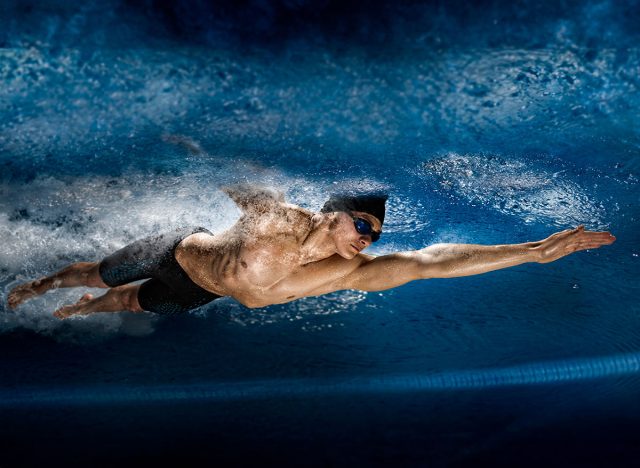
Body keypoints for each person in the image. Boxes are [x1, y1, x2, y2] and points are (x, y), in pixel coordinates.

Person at [7, 184, 616, 319]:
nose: (367, 237)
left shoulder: (350, 270)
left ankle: (81, 310)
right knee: (97, 271)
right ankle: (38, 287)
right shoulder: (280, 222)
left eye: (375, 231)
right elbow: (247, 192)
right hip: (178, 255)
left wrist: (533, 251)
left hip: (201, 292)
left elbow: (436, 260)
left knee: (126, 306)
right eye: (360, 223)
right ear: (331, 214)